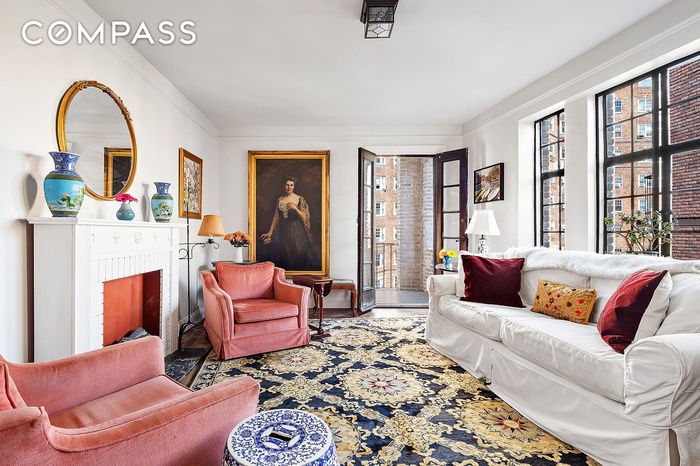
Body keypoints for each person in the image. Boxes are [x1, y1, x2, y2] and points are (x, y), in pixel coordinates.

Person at [259, 174, 317, 270]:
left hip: (296, 232)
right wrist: (270, 232)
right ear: (284, 185)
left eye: (291, 185)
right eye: (287, 185)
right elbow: (276, 216)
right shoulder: (280, 200)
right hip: (283, 232)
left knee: (297, 254)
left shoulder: (299, 199)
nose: (289, 187)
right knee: (284, 255)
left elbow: (305, 216)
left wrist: (295, 209)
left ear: (294, 186)